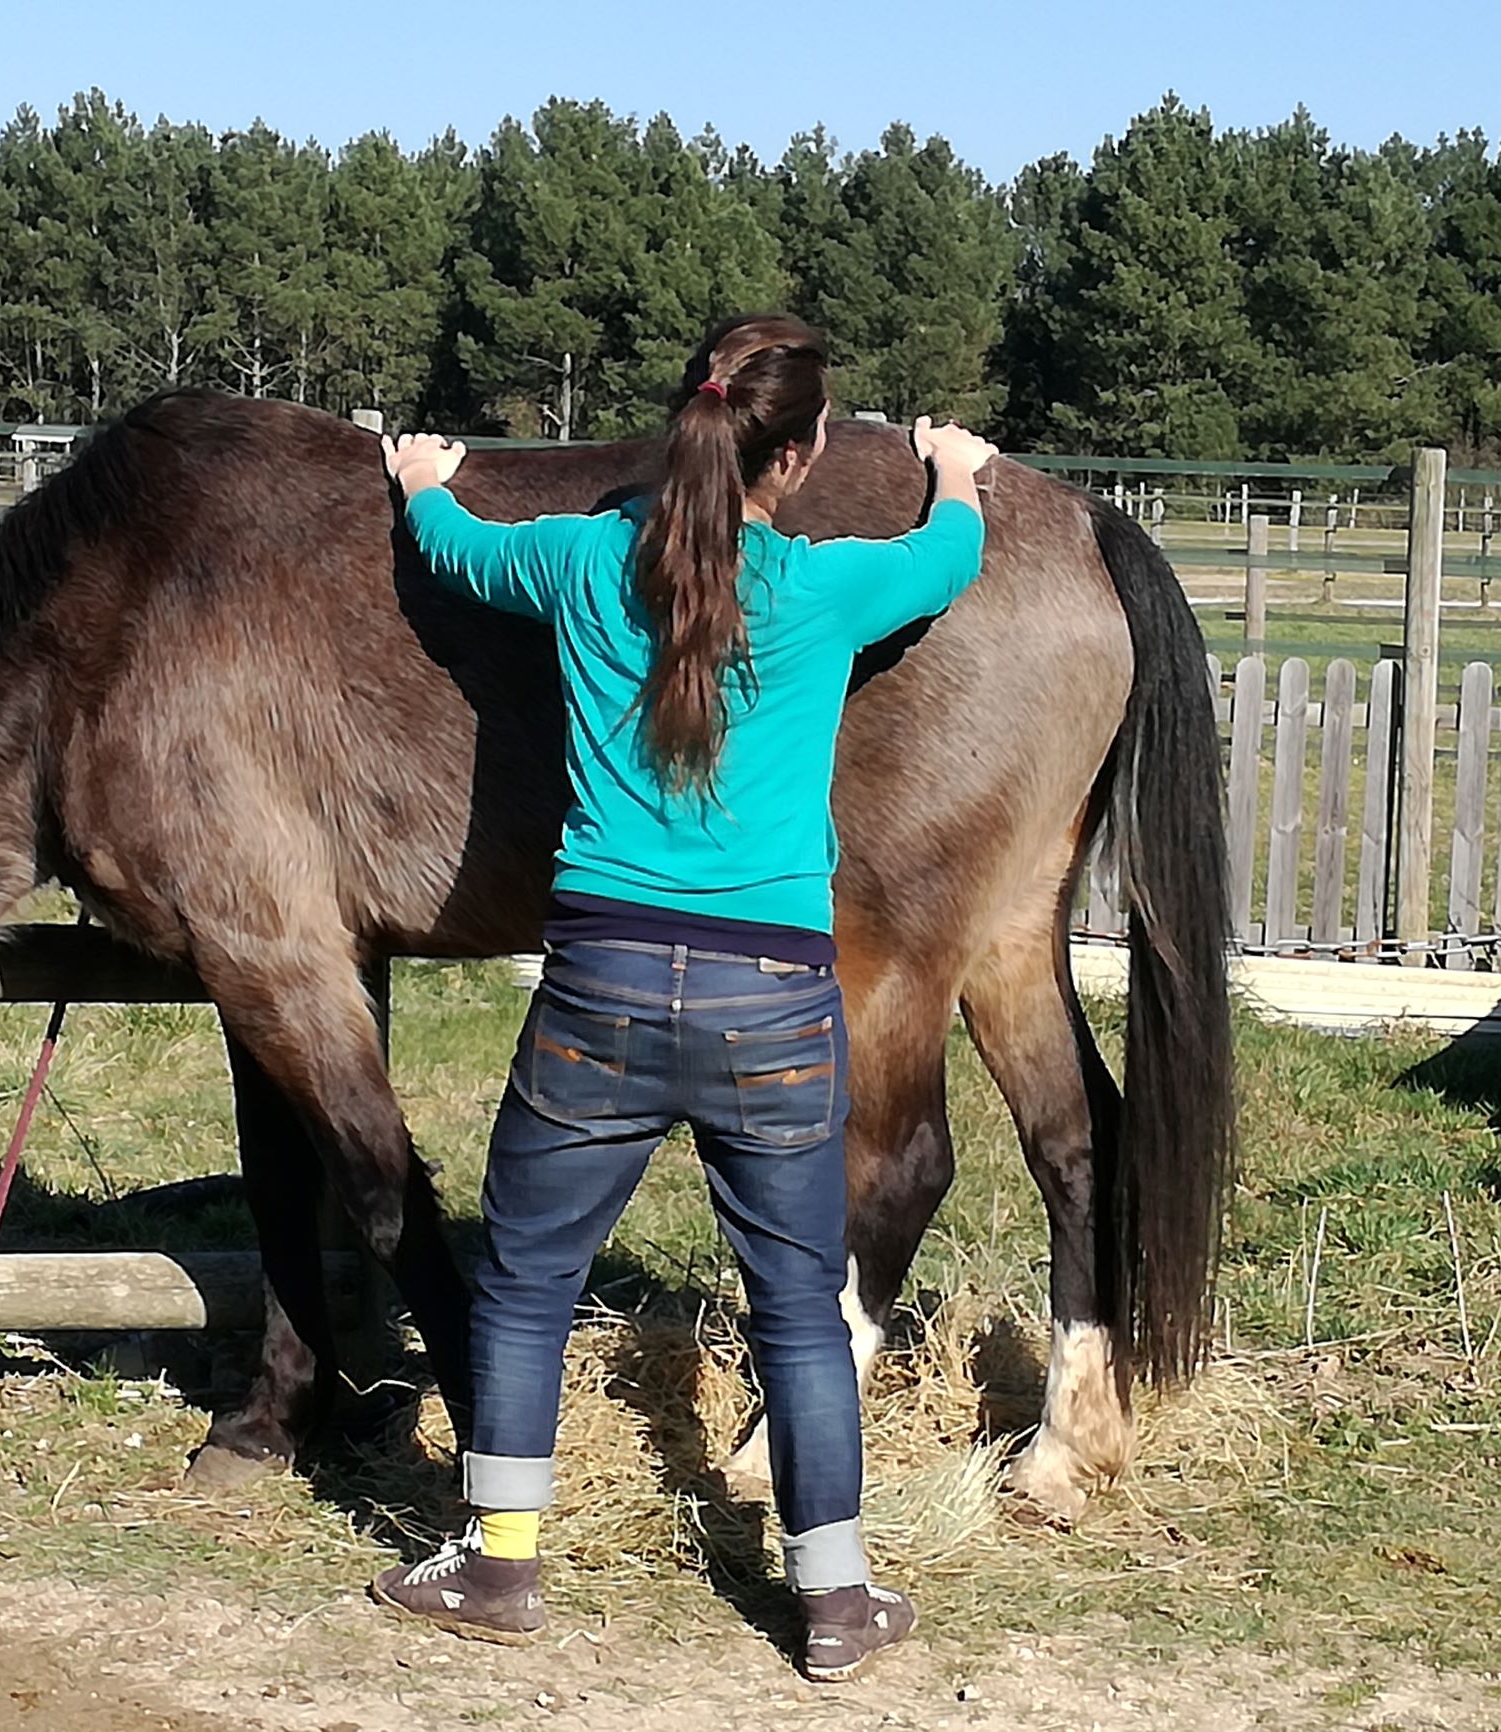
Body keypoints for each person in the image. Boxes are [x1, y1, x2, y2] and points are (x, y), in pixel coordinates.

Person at [369, 313, 997, 1681]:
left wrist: (420, 475)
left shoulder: (581, 561)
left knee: (529, 1280)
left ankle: (499, 1563)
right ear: (806, 450)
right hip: (771, 996)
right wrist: (952, 471)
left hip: (595, 980)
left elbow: (457, 547)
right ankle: (833, 1599)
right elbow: (948, 556)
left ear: (685, 427)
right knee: (792, 1300)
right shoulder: (825, 588)